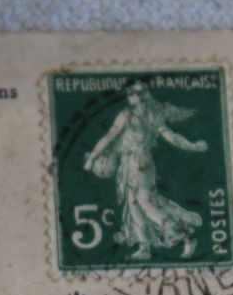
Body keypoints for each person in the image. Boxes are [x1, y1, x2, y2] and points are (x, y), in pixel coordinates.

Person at [82, 81, 210, 260]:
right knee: (134, 205)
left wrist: (91, 158)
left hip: (138, 163)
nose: (130, 97)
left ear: (140, 97)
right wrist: (193, 146)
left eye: (132, 94)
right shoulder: (150, 115)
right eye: (130, 94)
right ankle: (144, 248)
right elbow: (171, 137)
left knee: (146, 204)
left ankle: (184, 236)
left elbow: (109, 137)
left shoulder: (129, 115)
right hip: (133, 163)